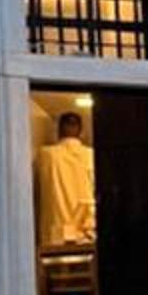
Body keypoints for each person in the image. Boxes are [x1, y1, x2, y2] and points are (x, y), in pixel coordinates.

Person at [34, 108, 96, 253]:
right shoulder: (90, 155)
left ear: (58, 130)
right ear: (81, 131)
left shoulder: (46, 155)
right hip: (85, 230)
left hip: (55, 230)